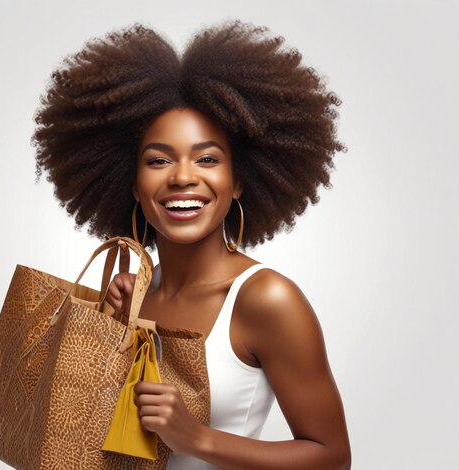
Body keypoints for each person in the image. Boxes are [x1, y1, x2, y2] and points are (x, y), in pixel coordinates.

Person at [33, 20, 351, 469]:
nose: (182, 177)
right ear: (133, 183)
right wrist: (108, 326)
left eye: (207, 158)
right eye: (159, 160)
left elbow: (332, 459)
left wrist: (196, 438)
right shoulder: (136, 293)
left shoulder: (265, 300)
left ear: (238, 181)